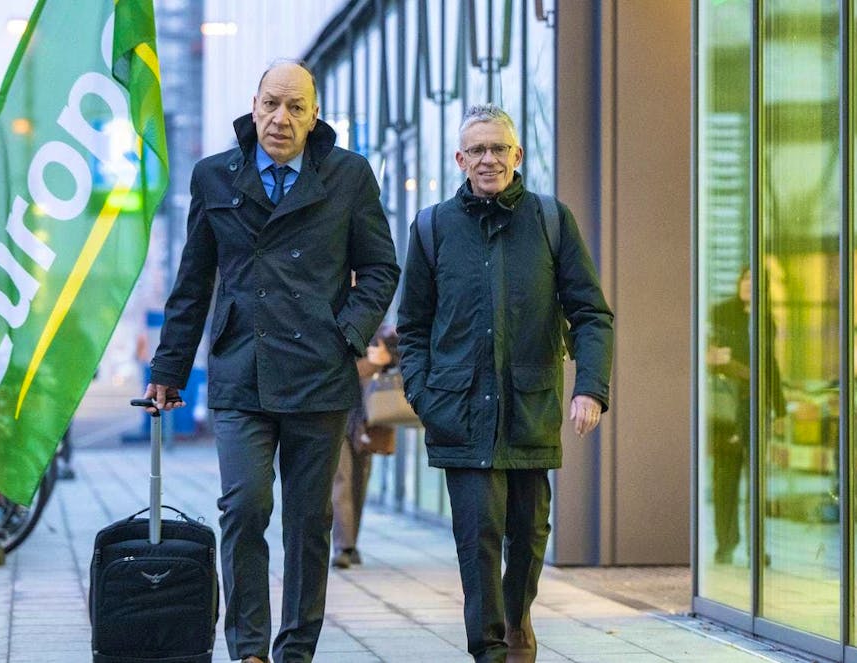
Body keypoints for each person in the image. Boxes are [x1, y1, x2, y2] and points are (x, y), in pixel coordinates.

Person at [143, 59, 399, 663]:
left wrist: (346, 334)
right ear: (254, 105)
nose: (280, 118)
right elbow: (194, 279)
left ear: (314, 117)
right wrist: (168, 369)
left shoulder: (349, 176)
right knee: (245, 505)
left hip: (319, 371)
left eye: (295, 108)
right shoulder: (214, 176)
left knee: (308, 522)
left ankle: (296, 650)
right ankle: (250, 650)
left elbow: (380, 268)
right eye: (270, 104)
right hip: (241, 367)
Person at [397, 104, 614, 663]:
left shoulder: (551, 220)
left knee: (530, 532)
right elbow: (413, 326)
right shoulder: (432, 228)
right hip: (459, 411)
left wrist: (589, 387)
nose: (488, 159)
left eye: (498, 149)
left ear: (517, 155)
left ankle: (517, 617)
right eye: (477, 150)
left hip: (529, 408)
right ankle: (491, 648)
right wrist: (423, 395)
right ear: (460, 159)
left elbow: (591, 314)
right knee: (478, 539)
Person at [706, 267, 784, 565]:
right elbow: (708, 354)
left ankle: (756, 548)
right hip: (727, 406)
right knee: (725, 478)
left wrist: (779, 407)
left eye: (755, 280)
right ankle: (725, 544)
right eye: (745, 278)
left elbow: (771, 364)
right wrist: (724, 362)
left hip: (754, 406)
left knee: (756, 480)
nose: (749, 284)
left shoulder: (766, 319)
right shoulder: (721, 312)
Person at [331, 323, 400, 569]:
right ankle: (343, 546)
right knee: (341, 480)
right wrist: (373, 363)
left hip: (366, 421)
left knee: (359, 481)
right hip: (336, 416)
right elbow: (341, 372)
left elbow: (399, 357)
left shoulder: (376, 329)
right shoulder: (331, 327)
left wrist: (387, 357)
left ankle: (351, 542)